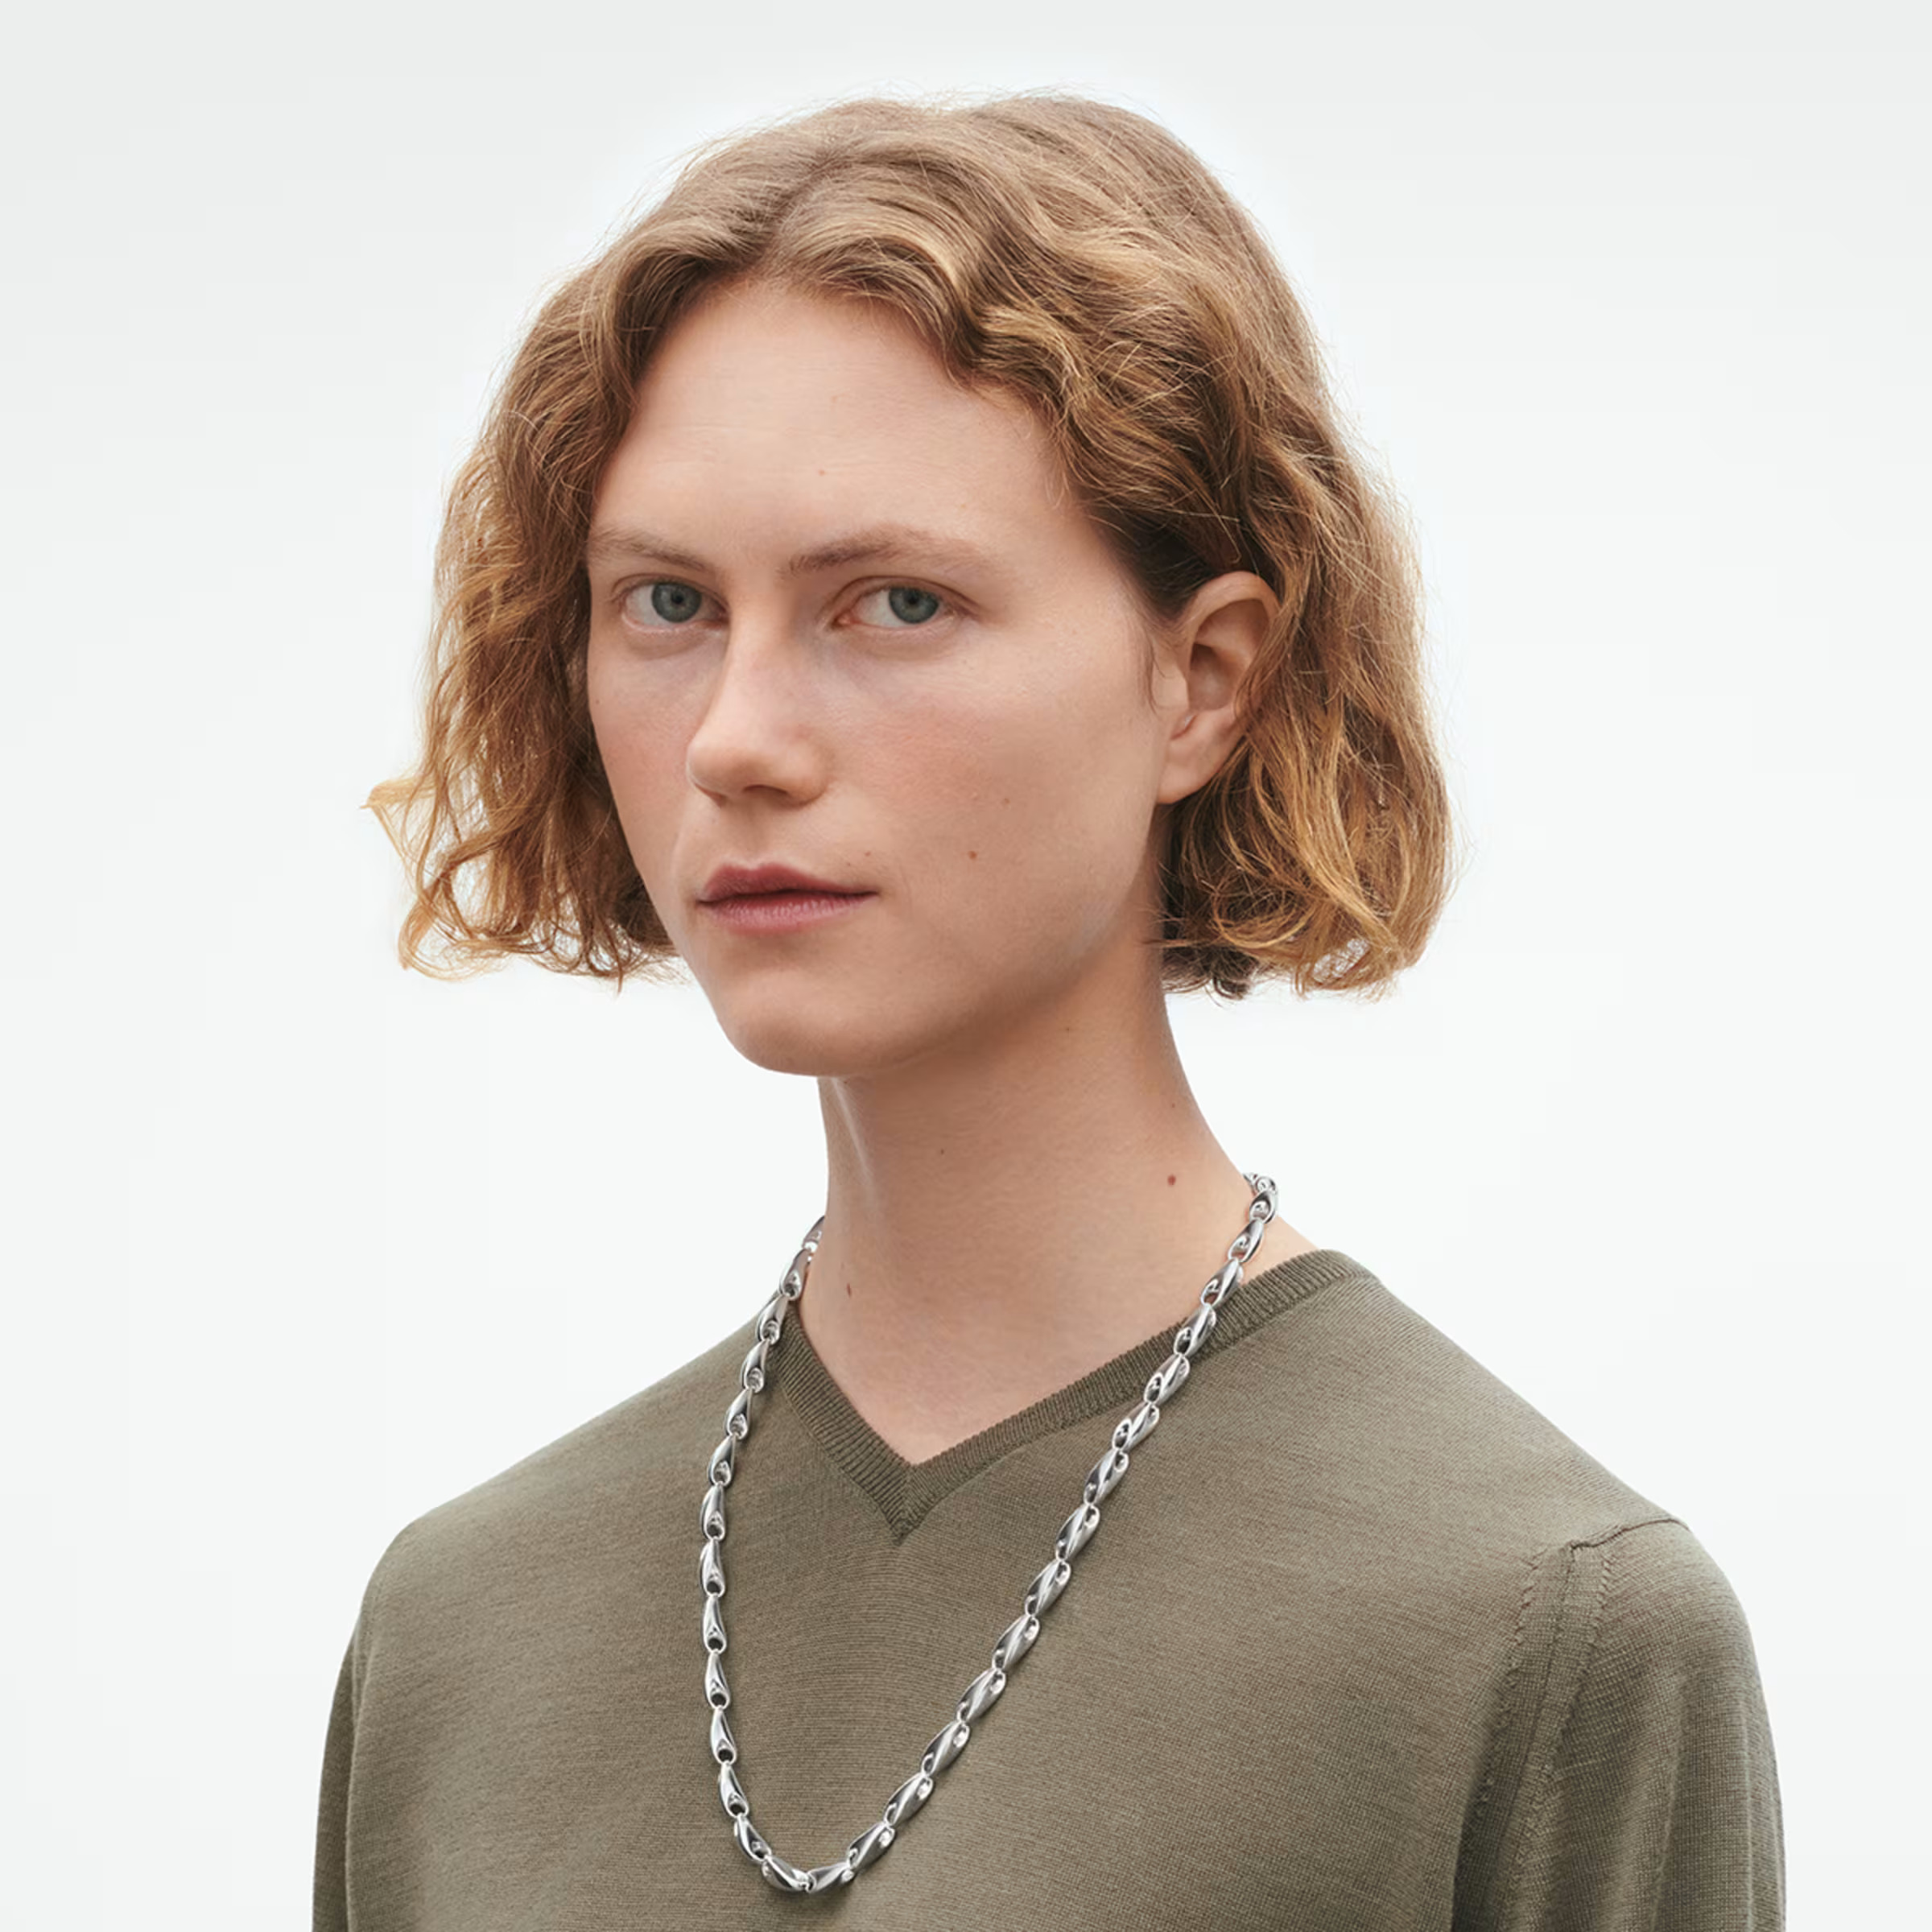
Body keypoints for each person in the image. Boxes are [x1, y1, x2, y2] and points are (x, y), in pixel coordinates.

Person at [316, 92, 1785, 1928]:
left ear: (1205, 680)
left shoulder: (1539, 1628)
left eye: (896, 603)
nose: (738, 740)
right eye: (669, 601)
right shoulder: (460, 1641)